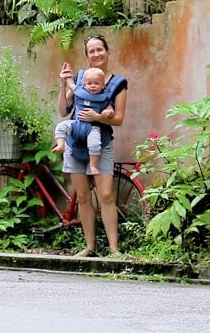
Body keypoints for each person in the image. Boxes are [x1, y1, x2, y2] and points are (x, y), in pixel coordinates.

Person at [57, 35, 128, 256]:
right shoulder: (79, 79)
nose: (96, 54)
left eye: (100, 49)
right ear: (86, 55)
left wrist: (97, 117)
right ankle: (90, 247)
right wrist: (63, 84)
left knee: (106, 195)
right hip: (76, 144)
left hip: (101, 143)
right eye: (91, 51)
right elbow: (63, 111)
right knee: (84, 196)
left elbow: (118, 119)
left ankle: (114, 249)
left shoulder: (118, 83)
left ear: (107, 51)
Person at [51, 67, 114, 174]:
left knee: (95, 143)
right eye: (89, 83)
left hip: (93, 127)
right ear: (84, 85)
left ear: (103, 85)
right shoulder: (79, 91)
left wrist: (107, 113)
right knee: (61, 126)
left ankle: (93, 165)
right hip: (76, 123)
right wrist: (67, 77)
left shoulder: (104, 98)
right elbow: (70, 84)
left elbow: (110, 109)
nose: (92, 86)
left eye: (96, 83)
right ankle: (60, 145)